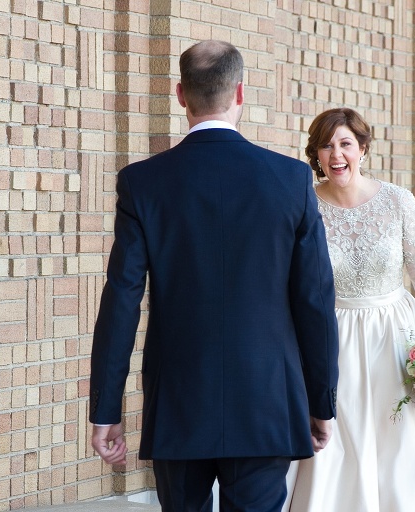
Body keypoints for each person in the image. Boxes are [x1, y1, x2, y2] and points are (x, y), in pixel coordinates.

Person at [88, 40, 339, 512]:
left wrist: (107, 409)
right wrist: (322, 399)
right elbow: (315, 301)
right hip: (267, 396)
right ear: (240, 92)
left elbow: (121, 299)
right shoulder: (290, 180)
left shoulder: (143, 182)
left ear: (180, 95)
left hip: (179, 397)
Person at [285, 108, 415, 512]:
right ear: (316, 154)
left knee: (404, 435)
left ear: (362, 148)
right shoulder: (304, 204)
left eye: (345, 144)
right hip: (334, 333)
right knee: (341, 435)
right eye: (326, 145)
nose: (336, 154)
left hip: (397, 333)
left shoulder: (397, 200)